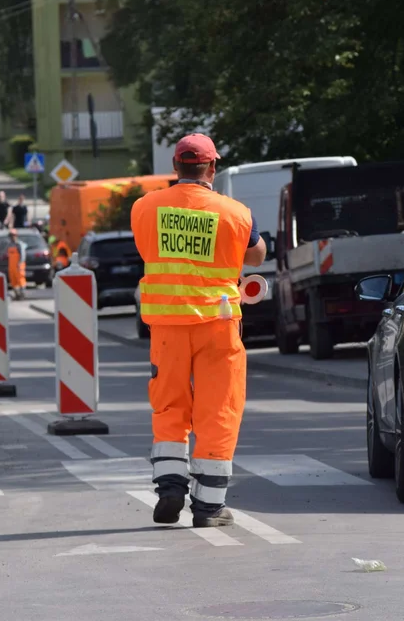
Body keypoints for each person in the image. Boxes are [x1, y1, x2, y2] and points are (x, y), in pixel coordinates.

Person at [130, 133, 265, 529]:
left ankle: (170, 485)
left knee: (170, 405)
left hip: (167, 326)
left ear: (175, 167)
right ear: (212, 167)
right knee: (218, 409)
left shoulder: (145, 208)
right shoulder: (235, 212)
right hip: (218, 325)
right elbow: (256, 254)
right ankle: (208, 506)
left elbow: (147, 248)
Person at [5, 228, 27, 300]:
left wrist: (20, 263)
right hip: (11, 266)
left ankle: (22, 294)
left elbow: (22, 255)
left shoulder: (19, 245)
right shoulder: (9, 245)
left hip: (19, 266)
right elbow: (7, 255)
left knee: (20, 280)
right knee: (13, 281)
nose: (12, 237)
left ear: (16, 236)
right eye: (10, 236)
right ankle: (17, 294)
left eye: (13, 235)